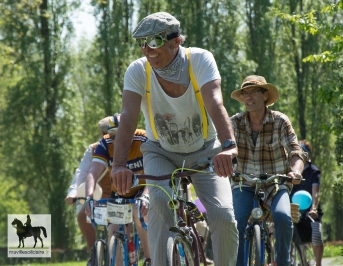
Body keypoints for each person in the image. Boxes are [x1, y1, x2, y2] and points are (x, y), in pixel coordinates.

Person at [110, 12, 239, 265]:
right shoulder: (138, 70)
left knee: (223, 215)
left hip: (205, 150)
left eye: (155, 41)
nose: (148, 49)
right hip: (161, 152)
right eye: (142, 43)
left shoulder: (200, 59)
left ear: (176, 40)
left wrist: (229, 146)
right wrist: (118, 165)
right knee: (158, 203)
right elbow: (127, 117)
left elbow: (215, 102)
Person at [230, 75, 307, 266]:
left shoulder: (280, 121)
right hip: (244, 183)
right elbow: (223, 149)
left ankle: (283, 262)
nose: (248, 97)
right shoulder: (235, 122)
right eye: (244, 94)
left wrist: (296, 171)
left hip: (275, 184)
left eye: (253, 92)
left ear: (265, 96)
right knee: (236, 222)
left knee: (282, 217)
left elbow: (295, 150)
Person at [84, 114, 151, 266]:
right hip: (120, 190)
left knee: (139, 214)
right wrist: (89, 197)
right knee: (113, 231)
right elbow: (93, 171)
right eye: (113, 136)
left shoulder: (144, 139)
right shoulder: (106, 143)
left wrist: (146, 196)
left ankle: (149, 259)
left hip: (143, 187)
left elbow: (154, 173)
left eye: (122, 135)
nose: (117, 140)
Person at [64, 116, 112, 266]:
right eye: (104, 133)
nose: (107, 137)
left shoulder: (125, 147)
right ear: (100, 134)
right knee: (82, 215)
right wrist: (72, 193)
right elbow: (82, 172)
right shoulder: (93, 149)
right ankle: (93, 254)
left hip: (120, 195)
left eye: (110, 133)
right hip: (99, 197)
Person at [290, 140, 324, 266]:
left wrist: (314, 208)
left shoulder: (314, 172)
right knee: (287, 236)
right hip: (294, 209)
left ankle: (318, 264)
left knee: (316, 236)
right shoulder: (290, 171)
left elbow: (315, 193)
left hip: (311, 211)